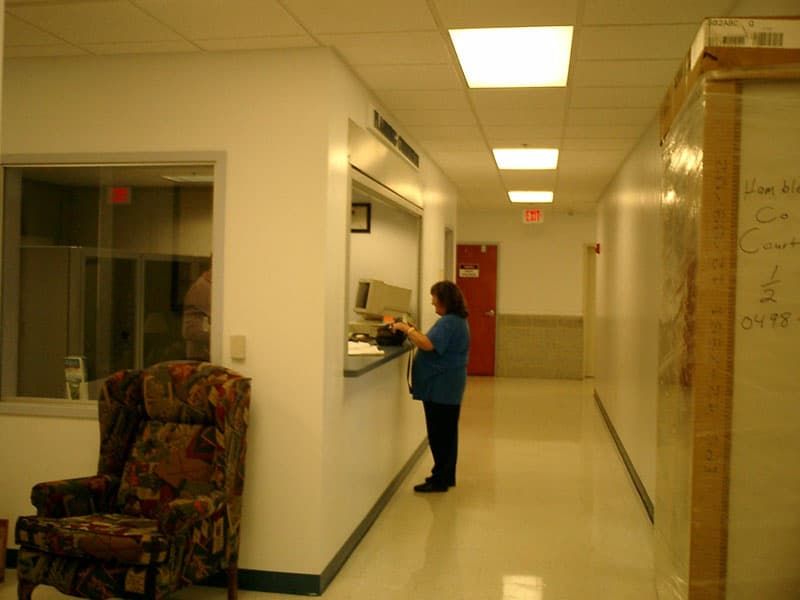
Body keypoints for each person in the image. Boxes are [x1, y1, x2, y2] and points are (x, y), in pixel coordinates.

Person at [391, 280, 470, 493]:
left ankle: (439, 480)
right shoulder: (455, 320)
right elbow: (430, 340)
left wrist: (406, 329)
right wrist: (414, 332)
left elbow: (428, 344)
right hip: (447, 386)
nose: (433, 304)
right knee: (447, 434)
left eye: (435, 300)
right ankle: (445, 476)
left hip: (441, 387)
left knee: (439, 435)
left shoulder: (449, 322)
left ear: (445, 300)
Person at [182, 267, 211, 361]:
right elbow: (189, 330)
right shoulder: (201, 287)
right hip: (199, 355)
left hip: (204, 352)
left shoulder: (206, 285)